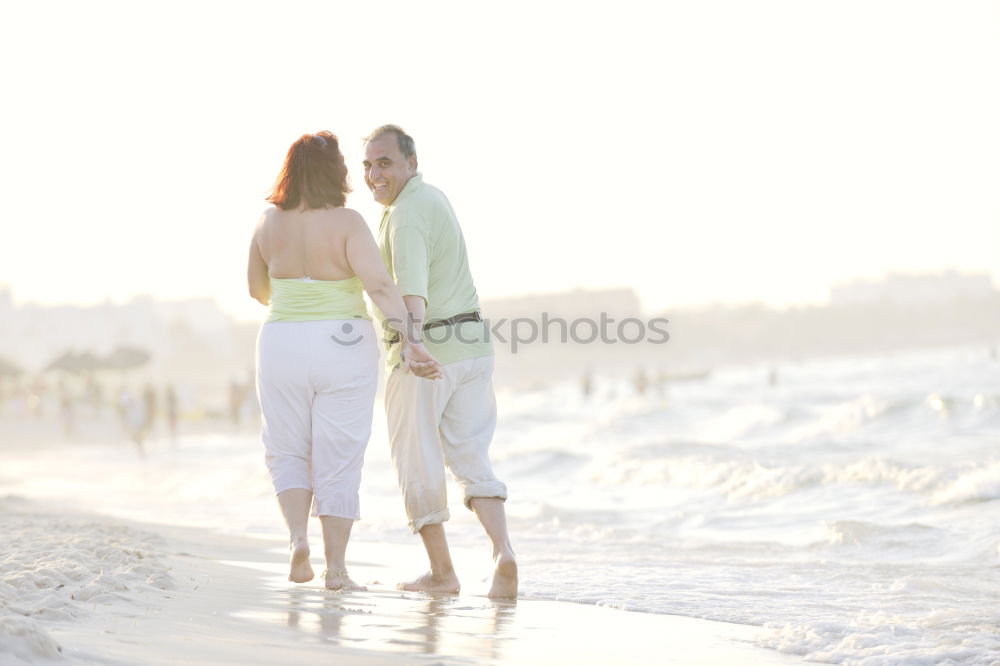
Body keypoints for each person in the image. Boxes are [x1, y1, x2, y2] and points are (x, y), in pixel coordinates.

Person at [248, 131, 441, 591]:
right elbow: (378, 286)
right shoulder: (350, 223)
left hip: (281, 341)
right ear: (338, 173)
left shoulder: (267, 223)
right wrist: (410, 340)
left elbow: (257, 291)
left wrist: (299, 296)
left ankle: (298, 542)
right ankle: (336, 570)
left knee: (288, 447)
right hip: (343, 341)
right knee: (339, 455)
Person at [363, 124, 517, 598]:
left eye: (384, 163)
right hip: (474, 345)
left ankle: (442, 573)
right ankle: (503, 553)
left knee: (418, 462)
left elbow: (412, 289)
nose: (374, 174)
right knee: (472, 457)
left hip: (428, 350)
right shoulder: (435, 198)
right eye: (368, 165)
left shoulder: (406, 213)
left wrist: (412, 345)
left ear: (411, 163)